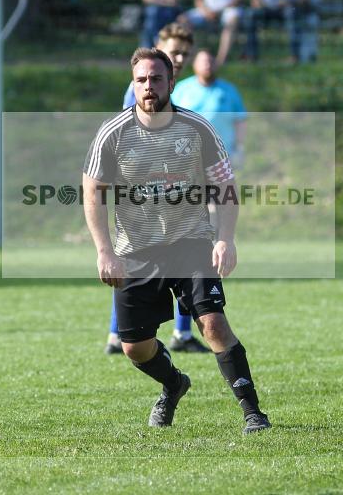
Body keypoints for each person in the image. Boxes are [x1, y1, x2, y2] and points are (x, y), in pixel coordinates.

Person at [83, 47, 270, 434]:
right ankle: (174, 383)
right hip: (136, 248)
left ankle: (253, 413)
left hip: (192, 241)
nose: (148, 87)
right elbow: (92, 192)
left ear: (171, 82)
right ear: (133, 85)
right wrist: (104, 251)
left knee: (214, 324)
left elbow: (225, 185)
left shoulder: (198, 128)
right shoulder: (113, 133)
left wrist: (226, 239)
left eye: (156, 79)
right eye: (141, 80)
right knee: (135, 347)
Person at [109, 22, 210, 355]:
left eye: (184, 53)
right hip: (144, 188)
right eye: (173, 51)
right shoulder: (142, 86)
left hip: (176, 185)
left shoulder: (174, 86)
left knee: (183, 252)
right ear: (157, 46)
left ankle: (180, 332)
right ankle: (119, 331)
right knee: (135, 255)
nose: (179, 58)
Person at [172, 49, 247, 168]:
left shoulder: (229, 90)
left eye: (211, 61)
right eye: (203, 61)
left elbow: (240, 121)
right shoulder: (181, 90)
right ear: (194, 65)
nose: (207, 65)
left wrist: (239, 148)